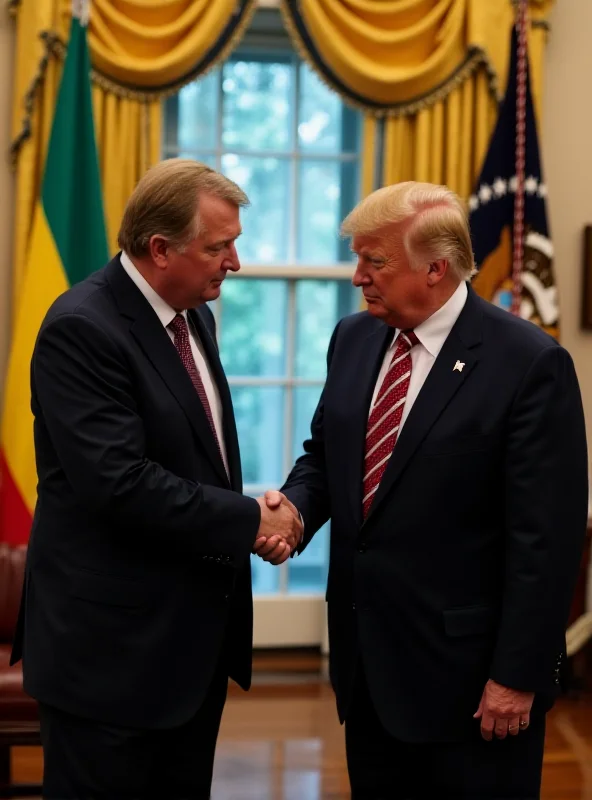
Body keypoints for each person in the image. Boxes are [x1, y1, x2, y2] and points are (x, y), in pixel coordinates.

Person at [257, 181, 589, 799]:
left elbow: (547, 540)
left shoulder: (528, 364)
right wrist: (295, 510)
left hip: (472, 685)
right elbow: (326, 457)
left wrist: (516, 675)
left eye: (374, 261)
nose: (358, 277)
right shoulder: (353, 340)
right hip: (367, 671)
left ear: (435, 268)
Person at [10, 158, 302, 799]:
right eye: (219, 247)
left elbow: (201, 455)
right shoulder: (82, 328)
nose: (235, 263)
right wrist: (252, 520)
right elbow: (120, 484)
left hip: (186, 648)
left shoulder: (192, 314)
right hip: (109, 656)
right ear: (160, 248)